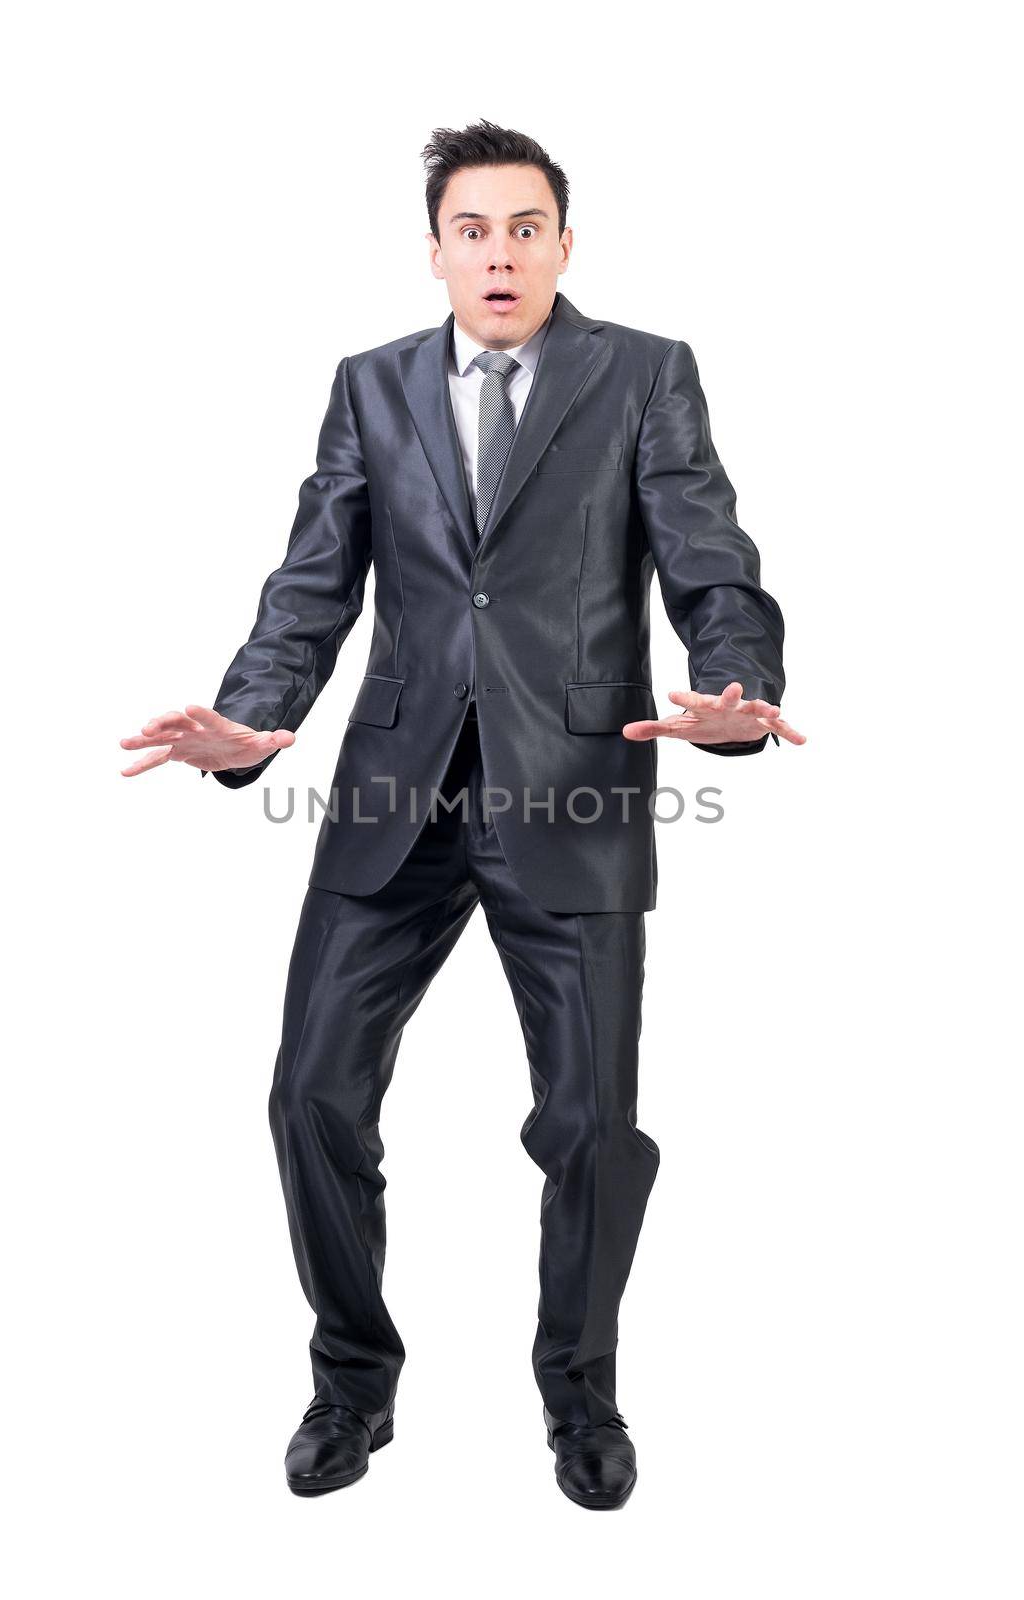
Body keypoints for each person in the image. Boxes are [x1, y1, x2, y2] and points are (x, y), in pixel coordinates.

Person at [120, 119, 805, 1510]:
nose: (500, 252)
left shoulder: (645, 376)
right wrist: (255, 720)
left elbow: (707, 555)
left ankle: (581, 1394)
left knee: (595, 1126)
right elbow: (315, 581)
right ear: (435, 251)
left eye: (526, 226)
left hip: (576, 791)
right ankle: (352, 1381)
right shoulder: (371, 387)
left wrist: (734, 684)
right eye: (473, 230)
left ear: (565, 241)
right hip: (392, 794)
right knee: (310, 1094)